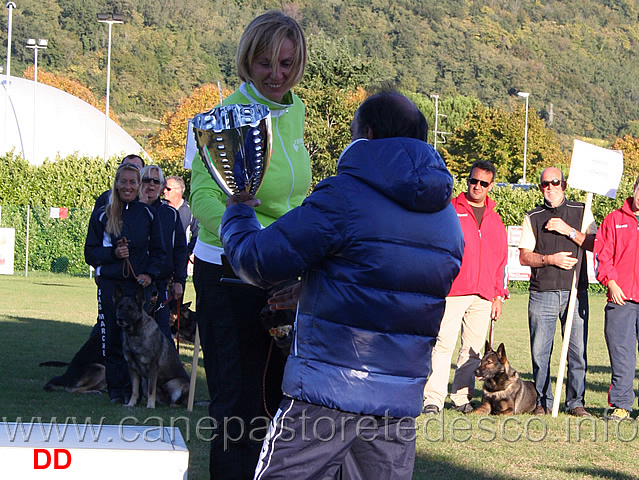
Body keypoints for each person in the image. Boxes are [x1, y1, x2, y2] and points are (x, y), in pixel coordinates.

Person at [221, 91, 463, 480]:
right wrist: (316, 286)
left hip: (327, 390)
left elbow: (259, 260)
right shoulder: (448, 218)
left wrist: (236, 214)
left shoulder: (344, 195)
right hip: (398, 401)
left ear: (365, 133)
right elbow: (394, 286)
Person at [188, 11, 311, 480]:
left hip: (282, 272)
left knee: (281, 402)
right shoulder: (219, 120)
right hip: (230, 272)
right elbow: (202, 197)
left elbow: (295, 197)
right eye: (265, 63)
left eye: (286, 63)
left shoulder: (295, 111)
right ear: (246, 61)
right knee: (238, 409)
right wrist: (251, 243)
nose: (276, 75)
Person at [422, 160, 508, 415]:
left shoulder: (495, 220)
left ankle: (461, 397)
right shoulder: (449, 210)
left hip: (483, 296)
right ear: (468, 181)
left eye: (483, 183)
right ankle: (433, 399)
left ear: (491, 186)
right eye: (473, 181)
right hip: (453, 291)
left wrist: (498, 295)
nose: (477, 186)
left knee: (471, 352)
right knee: (442, 345)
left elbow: (500, 260)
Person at [518, 167, 597, 417]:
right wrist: (549, 259)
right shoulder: (533, 216)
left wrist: (568, 231)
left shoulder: (581, 211)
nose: (549, 187)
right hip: (543, 293)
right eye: (544, 184)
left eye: (554, 182)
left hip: (575, 291)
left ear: (564, 184)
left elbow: (595, 243)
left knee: (577, 352)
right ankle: (543, 401)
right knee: (540, 352)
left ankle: (576, 402)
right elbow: (524, 256)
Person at [84, 163, 165, 404]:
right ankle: (117, 392)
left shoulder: (149, 214)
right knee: (113, 338)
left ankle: (140, 393)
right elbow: (90, 252)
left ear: (138, 186)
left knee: (140, 340)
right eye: (123, 182)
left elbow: (160, 252)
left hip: (139, 287)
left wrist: (149, 274)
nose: (127, 186)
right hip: (112, 286)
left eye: (132, 182)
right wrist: (112, 256)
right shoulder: (103, 213)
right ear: (116, 184)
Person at [593, 174, 639, 421]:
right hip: (621, 301)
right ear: (634, 188)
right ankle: (621, 405)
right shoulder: (614, 219)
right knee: (621, 355)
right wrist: (611, 282)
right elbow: (602, 255)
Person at [139, 165, 188, 340]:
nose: (150, 185)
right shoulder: (129, 211)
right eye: (146, 180)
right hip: (135, 283)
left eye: (156, 181)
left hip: (161, 285)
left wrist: (179, 281)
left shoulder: (170, 214)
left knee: (162, 337)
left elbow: (180, 250)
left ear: (161, 188)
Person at [164, 175, 199, 254]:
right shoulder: (160, 207)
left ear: (178, 190)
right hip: (162, 257)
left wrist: (188, 252)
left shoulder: (190, 210)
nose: (164, 191)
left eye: (168, 189)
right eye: (164, 188)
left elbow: (196, 234)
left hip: (181, 258)